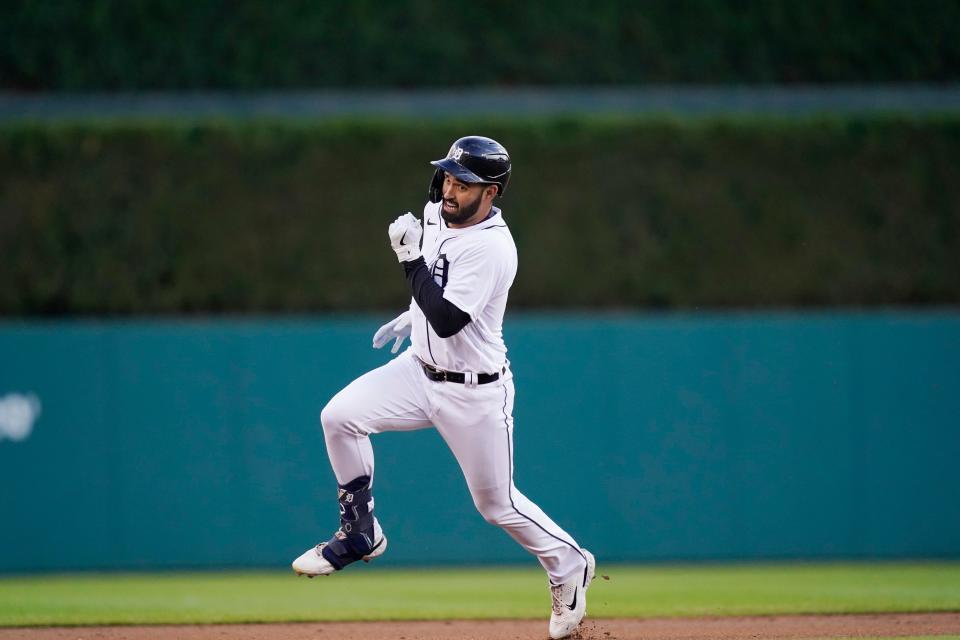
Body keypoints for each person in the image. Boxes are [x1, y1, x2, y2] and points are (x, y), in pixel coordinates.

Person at [292, 135, 595, 639]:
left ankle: (570, 564)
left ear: (492, 192)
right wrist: (412, 315)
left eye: (465, 182)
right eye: (449, 177)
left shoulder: (493, 248)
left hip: (474, 392)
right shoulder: (436, 214)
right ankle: (360, 532)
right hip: (419, 371)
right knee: (338, 417)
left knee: (496, 505)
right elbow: (435, 285)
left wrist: (410, 268)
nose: (451, 189)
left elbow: (451, 319)